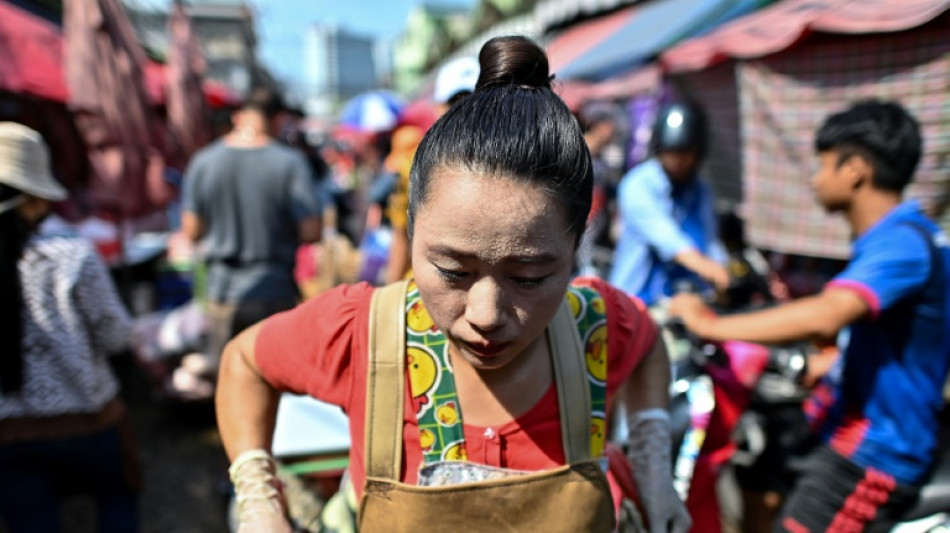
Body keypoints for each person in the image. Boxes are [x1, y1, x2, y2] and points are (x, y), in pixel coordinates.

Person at [217, 36, 690, 533]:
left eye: (529, 277)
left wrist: (653, 466)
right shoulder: (367, 333)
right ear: (411, 231)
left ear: (575, 253)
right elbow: (245, 362)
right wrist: (259, 501)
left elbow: (649, 345)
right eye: (453, 272)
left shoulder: (595, 325)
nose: (486, 314)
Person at [670, 100, 950, 532]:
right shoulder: (895, 239)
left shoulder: (903, 243)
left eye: (824, 166)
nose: (816, 180)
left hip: (874, 454)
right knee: (765, 469)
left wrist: (710, 325)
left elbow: (829, 314)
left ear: (855, 169)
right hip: (845, 427)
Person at [0, 123, 138, 532]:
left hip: (8, 433)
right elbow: (116, 335)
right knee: (117, 500)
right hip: (88, 418)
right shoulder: (71, 254)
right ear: (34, 196)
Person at [181, 88, 323, 375]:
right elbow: (312, 230)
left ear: (238, 116)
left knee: (231, 385)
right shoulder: (289, 162)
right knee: (279, 382)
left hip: (222, 293)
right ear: (279, 119)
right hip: (274, 291)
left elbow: (192, 231)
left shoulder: (203, 161)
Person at [610, 101, 729, 305]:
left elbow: (710, 240)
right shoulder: (638, 184)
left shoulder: (701, 190)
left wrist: (726, 269)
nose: (676, 161)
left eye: (684, 153)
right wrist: (710, 269)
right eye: (670, 152)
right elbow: (668, 241)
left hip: (688, 299)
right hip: (637, 301)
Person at [384, 56, 480, 284]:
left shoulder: (509, 161)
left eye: (474, 101)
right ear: (437, 108)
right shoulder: (413, 164)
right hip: (426, 296)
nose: (464, 110)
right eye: (455, 101)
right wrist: (389, 298)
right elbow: (401, 237)